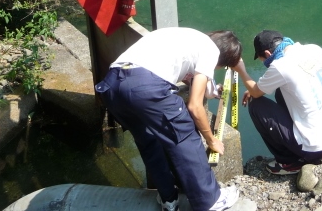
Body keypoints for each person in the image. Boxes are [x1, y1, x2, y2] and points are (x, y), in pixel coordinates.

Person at [94, 27, 241, 211]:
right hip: (146, 87)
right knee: (185, 136)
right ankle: (211, 201)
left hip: (113, 86)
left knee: (150, 142)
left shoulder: (186, 37)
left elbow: (197, 81)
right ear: (222, 57)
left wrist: (213, 89)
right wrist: (211, 140)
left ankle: (169, 200)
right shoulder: (211, 50)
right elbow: (195, 106)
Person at [232, 30, 322, 175]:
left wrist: (241, 70)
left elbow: (255, 92)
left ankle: (290, 162)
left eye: (262, 59)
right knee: (281, 91)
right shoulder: (315, 49)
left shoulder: (280, 65)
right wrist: (256, 88)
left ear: (267, 54)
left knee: (256, 104)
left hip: (316, 147)